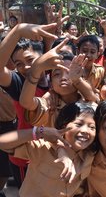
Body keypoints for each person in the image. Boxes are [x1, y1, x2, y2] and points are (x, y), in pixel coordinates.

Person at [0, 23, 58, 188]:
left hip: (53, 156)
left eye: (30, 60)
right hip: (25, 158)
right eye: (18, 63)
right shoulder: (19, 83)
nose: (24, 67)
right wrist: (18, 31)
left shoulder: (55, 79)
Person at [0, 101, 96, 197]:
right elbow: (2, 143)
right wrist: (38, 132)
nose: (85, 131)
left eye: (92, 127)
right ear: (64, 125)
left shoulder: (90, 155)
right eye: (79, 124)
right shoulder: (43, 148)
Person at [20, 40, 97, 128]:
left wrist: (77, 80)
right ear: (51, 83)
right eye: (57, 74)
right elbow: (26, 103)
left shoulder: (88, 103)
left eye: (69, 72)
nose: (63, 77)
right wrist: (37, 68)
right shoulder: (49, 104)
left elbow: (93, 98)